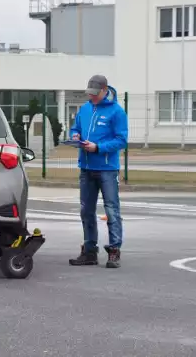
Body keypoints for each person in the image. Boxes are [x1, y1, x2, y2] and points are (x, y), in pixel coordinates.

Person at [68, 74, 128, 268]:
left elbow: (121, 140)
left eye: (95, 94)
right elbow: (75, 127)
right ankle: (89, 250)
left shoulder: (117, 112)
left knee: (111, 209)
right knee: (86, 210)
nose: (91, 97)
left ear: (105, 90)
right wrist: (75, 135)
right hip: (86, 167)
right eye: (90, 94)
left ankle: (114, 250)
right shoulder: (85, 109)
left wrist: (98, 148)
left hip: (107, 169)